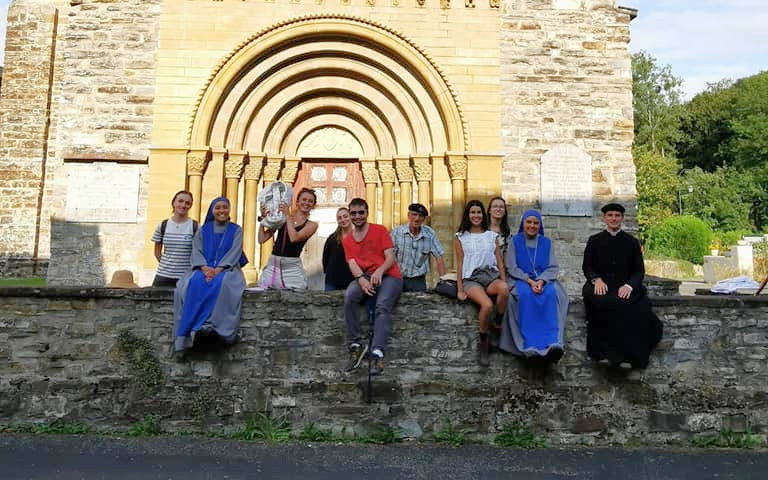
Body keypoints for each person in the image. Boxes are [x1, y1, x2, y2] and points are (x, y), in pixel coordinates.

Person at [582, 203, 663, 370]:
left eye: (617, 215)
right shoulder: (594, 241)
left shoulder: (631, 242)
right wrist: (596, 280)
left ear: (622, 218)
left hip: (624, 285)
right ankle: (602, 354)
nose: (613, 218)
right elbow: (587, 267)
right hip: (601, 285)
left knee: (634, 308)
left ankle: (629, 357)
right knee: (603, 303)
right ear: (604, 218)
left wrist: (630, 285)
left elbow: (639, 270)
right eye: (610, 215)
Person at [172, 197, 246, 359]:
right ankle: (195, 329)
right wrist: (205, 268)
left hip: (228, 268)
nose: (221, 211)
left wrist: (219, 269)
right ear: (212, 211)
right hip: (203, 268)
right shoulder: (203, 230)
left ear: (229, 210)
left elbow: (235, 251)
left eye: (224, 208)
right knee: (192, 284)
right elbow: (196, 250)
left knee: (224, 284)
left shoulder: (237, 230)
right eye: (217, 208)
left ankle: (217, 329)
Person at [342, 197, 403, 376]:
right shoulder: (348, 239)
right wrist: (362, 280)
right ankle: (355, 344)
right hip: (366, 276)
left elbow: (390, 256)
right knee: (350, 297)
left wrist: (380, 271)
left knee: (382, 306)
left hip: (389, 275)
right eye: (354, 213)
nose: (358, 216)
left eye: (361, 212)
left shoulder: (379, 230)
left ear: (367, 213)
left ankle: (377, 352)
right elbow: (352, 263)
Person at [501, 210, 568, 365]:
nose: (532, 226)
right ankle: (529, 346)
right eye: (529, 222)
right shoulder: (514, 242)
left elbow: (552, 267)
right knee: (525, 295)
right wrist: (530, 281)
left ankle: (553, 343)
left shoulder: (547, 242)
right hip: (521, 280)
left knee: (551, 294)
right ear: (523, 224)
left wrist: (541, 281)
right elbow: (511, 267)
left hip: (544, 281)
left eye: (535, 223)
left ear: (540, 225)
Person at [454, 200, 508, 367]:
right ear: (467, 215)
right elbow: (460, 263)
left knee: (504, 289)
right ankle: (483, 342)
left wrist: (504, 281)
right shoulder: (460, 237)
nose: (476, 215)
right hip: (471, 278)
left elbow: (499, 262)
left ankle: (497, 324)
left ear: (483, 215)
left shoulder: (491, 236)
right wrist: (460, 289)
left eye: (478, 212)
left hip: (490, 276)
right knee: (486, 305)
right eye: (472, 212)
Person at [258, 187, 319, 289]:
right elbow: (262, 239)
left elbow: (294, 238)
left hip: (292, 267)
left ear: (313, 205)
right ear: (297, 202)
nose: (306, 203)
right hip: (274, 264)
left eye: (310, 201)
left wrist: (287, 215)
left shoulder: (312, 225)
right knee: (265, 293)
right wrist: (263, 220)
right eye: (304, 200)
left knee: (296, 296)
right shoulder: (283, 218)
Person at [390, 203, 447, 292]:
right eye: (414, 215)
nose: (417, 219)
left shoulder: (430, 234)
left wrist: (444, 282)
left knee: (420, 304)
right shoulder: (397, 232)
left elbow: (439, 258)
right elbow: (389, 256)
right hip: (398, 278)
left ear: (424, 219)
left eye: (420, 216)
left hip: (418, 280)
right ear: (408, 215)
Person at [151, 190, 197, 287]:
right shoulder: (163, 225)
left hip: (185, 277)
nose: (183, 205)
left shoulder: (195, 226)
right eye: (180, 201)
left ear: (190, 206)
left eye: (187, 203)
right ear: (173, 203)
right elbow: (157, 252)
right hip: (163, 276)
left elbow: (199, 252)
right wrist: (168, 266)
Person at [322, 207, 355, 291]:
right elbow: (325, 258)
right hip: (332, 281)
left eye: (345, 216)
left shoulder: (358, 236)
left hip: (352, 280)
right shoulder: (332, 238)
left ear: (350, 217)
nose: (343, 220)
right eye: (339, 218)